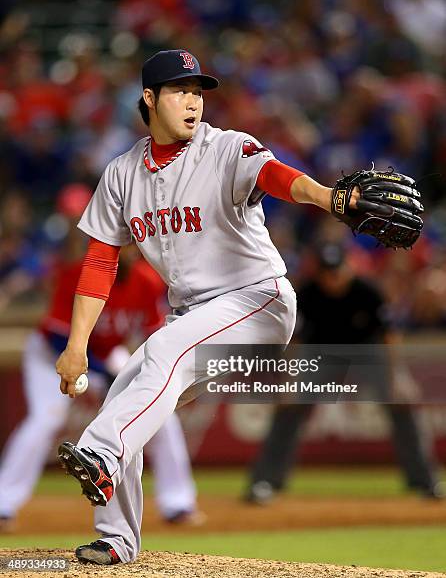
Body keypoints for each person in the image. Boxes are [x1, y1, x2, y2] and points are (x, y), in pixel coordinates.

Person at [55, 49, 360, 565]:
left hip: (257, 300)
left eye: (198, 92)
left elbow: (279, 177)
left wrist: (329, 198)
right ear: (150, 99)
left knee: (162, 354)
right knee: (125, 397)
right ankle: (116, 539)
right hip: (196, 316)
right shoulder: (123, 174)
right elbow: (101, 262)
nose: (193, 101)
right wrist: (76, 345)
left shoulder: (226, 148)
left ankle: (101, 452)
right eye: (180, 91)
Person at [0, 184, 201, 533]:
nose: (131, 249)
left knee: (160, 412)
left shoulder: (146, 281)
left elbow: (156, 334)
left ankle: (178, 503)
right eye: (124, 242)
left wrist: (148, 375)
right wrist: (101, 371)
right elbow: (58, 333)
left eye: (133, 243)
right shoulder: (78, 271)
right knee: (46, 419)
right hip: (54, 354)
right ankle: (3, 503)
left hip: (107, 355)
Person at [245, 242, 442, 504]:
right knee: (289, 407)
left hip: (367, 353)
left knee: (403, 402)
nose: (332, 278)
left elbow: (389, 337)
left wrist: (396, 379)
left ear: (347, 268)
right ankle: (265, 481)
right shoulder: (308, 294)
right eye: (327, 272)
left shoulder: (367, 291)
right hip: (322, 356)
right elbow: (296, 343)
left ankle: (426, 482)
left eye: (336, 271)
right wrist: (289, 382)